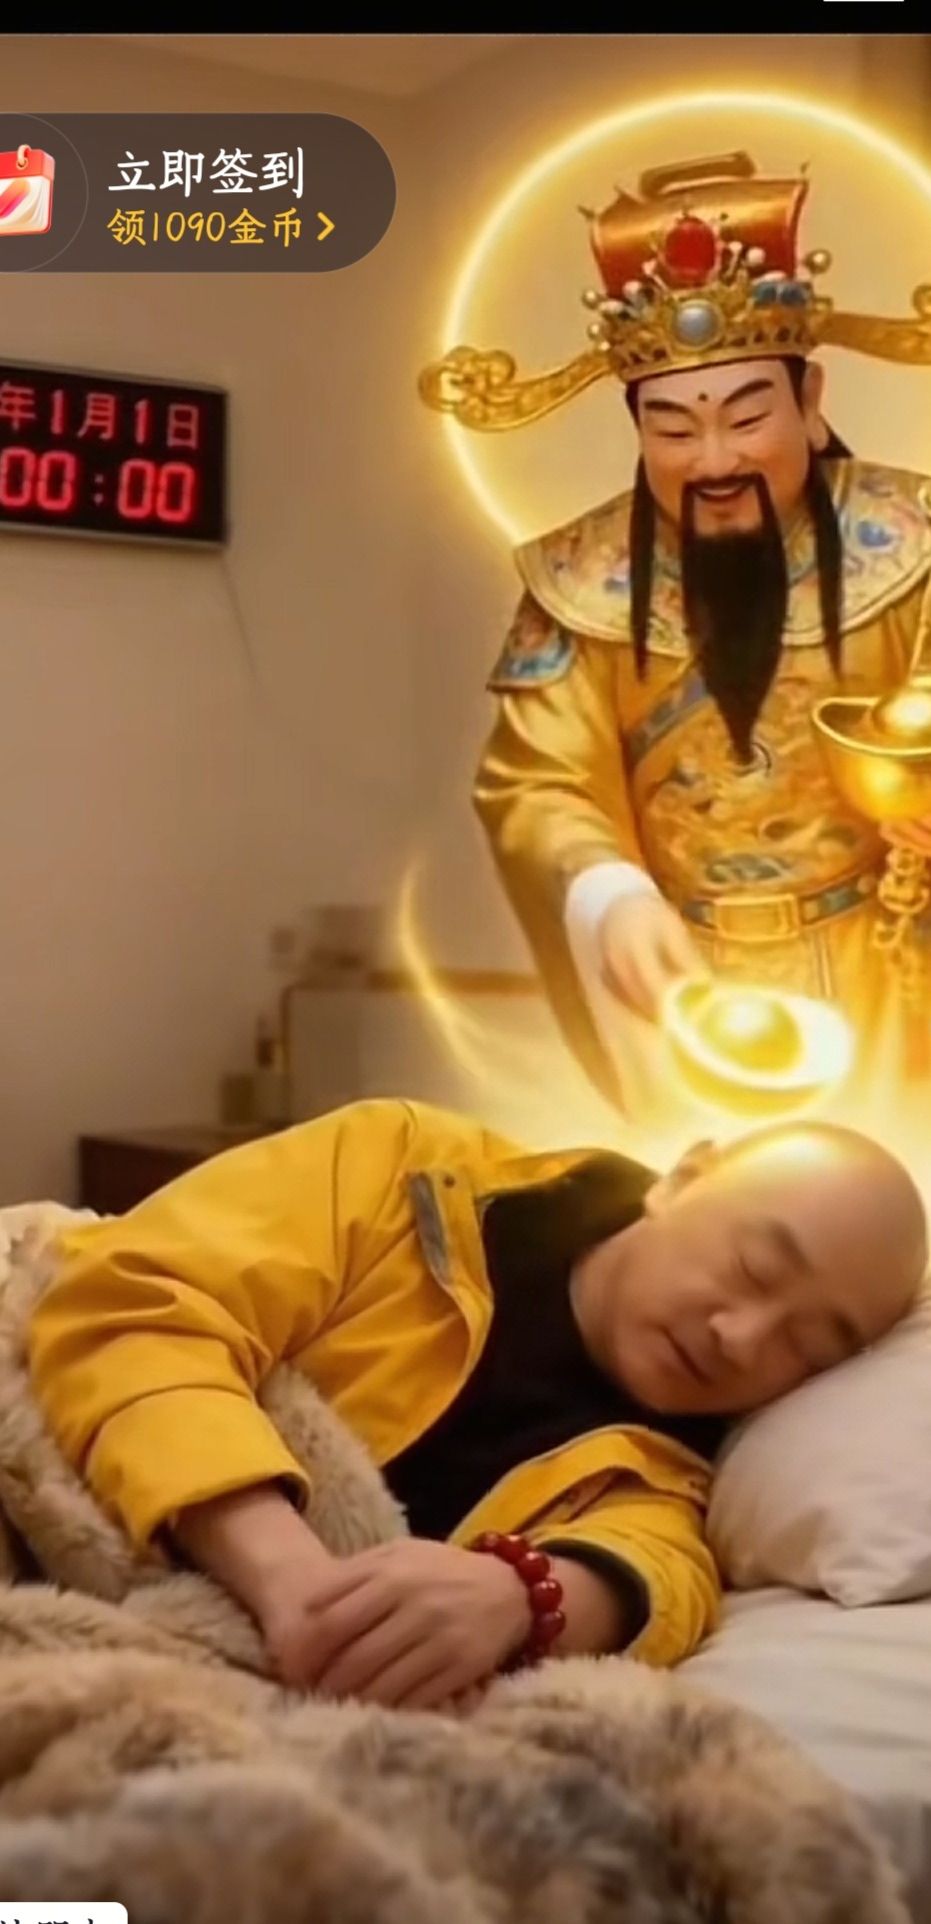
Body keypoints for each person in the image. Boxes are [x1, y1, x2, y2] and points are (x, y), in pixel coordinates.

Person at [27, 1098, 926, 1711]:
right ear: (685, 1177)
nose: (742, 1336)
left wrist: (517, 1594)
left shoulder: (662, 1475)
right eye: (754, 1266)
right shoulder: (402, 1168)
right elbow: (136, 1305)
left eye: (808, 1345)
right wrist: (291, 1581)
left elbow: (658, 1571)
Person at [421, 152, 931, 1133]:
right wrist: (607, 892)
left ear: (809, 401)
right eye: (673, 430)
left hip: (888, 979)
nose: (713, 461)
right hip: (681, 985)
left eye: (747, 417)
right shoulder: (576, 580)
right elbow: (535, 784)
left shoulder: (913, 542)